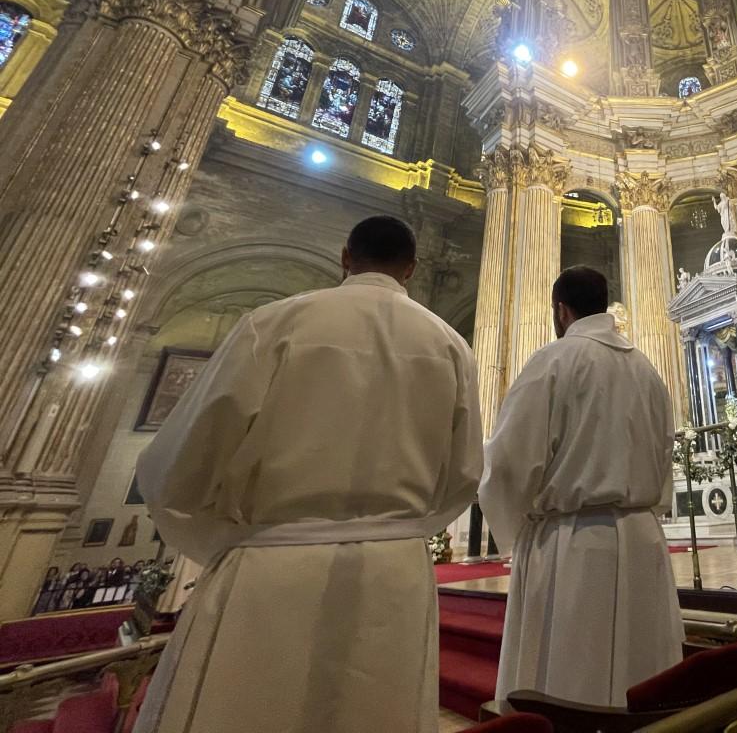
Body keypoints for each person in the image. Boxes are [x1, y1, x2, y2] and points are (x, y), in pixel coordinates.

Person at [134, 215, 483, 733]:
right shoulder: (451, 344)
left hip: (270, 563)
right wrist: (404, 528)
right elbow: (465, 472)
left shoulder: (275, 322)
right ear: (410, 268)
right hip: (395, 569)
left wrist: (225, 539)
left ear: (345, 256)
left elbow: (180, 460)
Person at [480, 266, 683, 709]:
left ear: (561, 310)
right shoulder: (647, 369)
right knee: (643, 674)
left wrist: (515, 527)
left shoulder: (553, 361)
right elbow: (665, 450)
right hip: (642, 537)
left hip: (572, 542)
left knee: (570, 679)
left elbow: (510, 460)